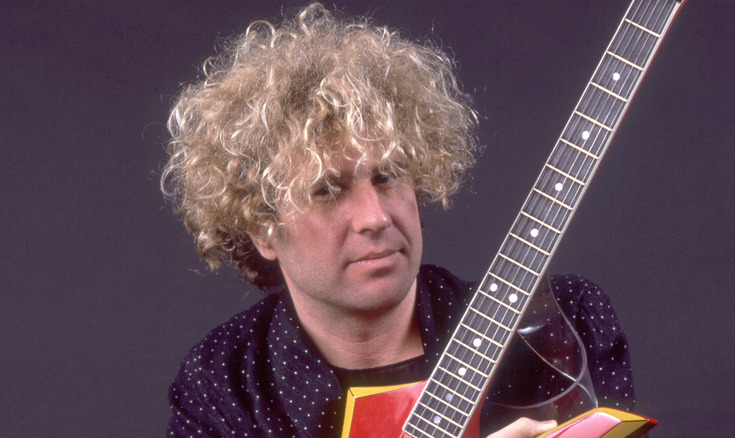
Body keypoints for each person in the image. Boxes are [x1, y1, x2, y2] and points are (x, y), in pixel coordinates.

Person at [162, 4, 636, 437]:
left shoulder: (560, 325)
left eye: (387, 177)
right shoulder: (224, 383)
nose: (375, 216)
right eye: (327, 190)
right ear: (262, 228)